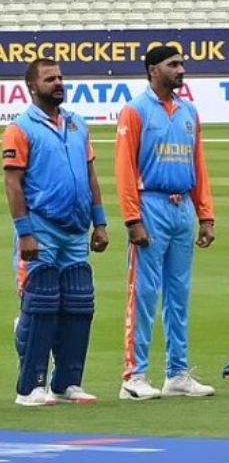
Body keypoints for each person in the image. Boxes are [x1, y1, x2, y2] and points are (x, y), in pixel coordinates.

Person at [3, 59, 109, 407]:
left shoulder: (77, 124)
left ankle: (67, 382)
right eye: (50, 79)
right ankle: (29, 388)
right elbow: (13, 183)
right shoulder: (20, 128)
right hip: (41, 228)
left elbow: (90, 176)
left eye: (61, 77)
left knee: (79, 304)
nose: (59, 83)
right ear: (32, 87)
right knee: (42, 303)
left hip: (76, 230)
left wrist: (100, 222)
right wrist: (25, 232)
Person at [115, 45, 216, 399]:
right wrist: (132, 218)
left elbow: (198, 165)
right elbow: (125, 168)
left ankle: (177, 373)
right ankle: (134, 376)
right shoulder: (135, 111)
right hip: (151, 204)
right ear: (153, 70)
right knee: (144, 293)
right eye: (173, 64)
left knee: (179, 295)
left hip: (182, 206)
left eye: (182, 63)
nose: (181, 69)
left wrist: (206, 214)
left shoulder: (189, 112)